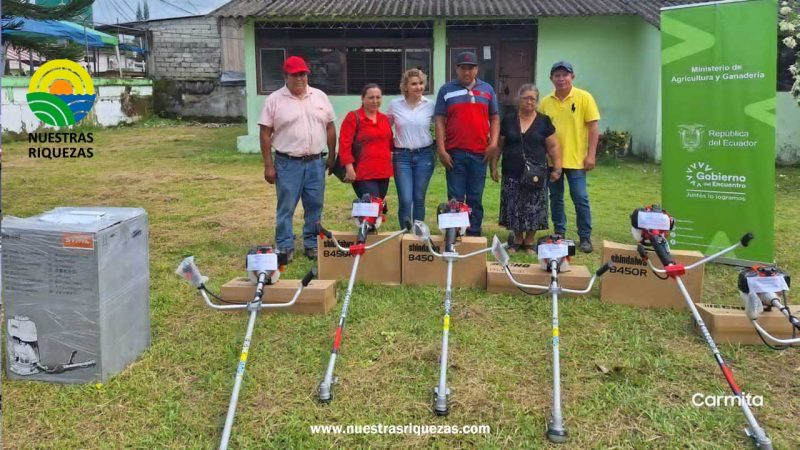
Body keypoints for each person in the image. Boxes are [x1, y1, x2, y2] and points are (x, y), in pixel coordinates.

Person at [258, 56, 337, 261]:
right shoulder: (274, 100)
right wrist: (268, 165)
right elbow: (265, 133)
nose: (301, 78)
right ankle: (285, 245)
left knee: (315, 205)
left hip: (316, 162)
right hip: (288, 163)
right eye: (295, 74)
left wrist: (332, 155)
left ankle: (311, 243)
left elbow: (330, 127)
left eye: (303, 74)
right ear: (286, 76)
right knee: (286, 207)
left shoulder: (320, 96)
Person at [434, 51, 500, 236]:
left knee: (475, 197)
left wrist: (493, 143)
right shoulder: (446, 90)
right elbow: (439, 120)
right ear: (457, 69)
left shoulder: (487, 90)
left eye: (471, 68)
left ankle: (474, 233)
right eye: (463, 68)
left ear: (477, 69)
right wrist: (440, 149)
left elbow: (495, 118)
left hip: (480, 153)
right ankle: (455, 233)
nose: (467, 72)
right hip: (455, 154)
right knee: (455, 198)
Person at [491, 84, 562, 254]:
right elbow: (500, 145)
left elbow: (553, 147)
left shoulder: (544, 121)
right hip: (512, 171)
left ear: (537, 101)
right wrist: (493, 165)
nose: (529, 102)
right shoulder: (508, 119)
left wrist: (557, 168)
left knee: (534, 207)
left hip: (536, 173)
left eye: (533, 99)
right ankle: (517, 238)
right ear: (519, 99)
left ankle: (529, 241)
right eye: (526, 98)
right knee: (514, 205)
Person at [539, 61, 600, 253]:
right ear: (551, 79)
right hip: (552, 161)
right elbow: (541, 132)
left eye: (565, 75)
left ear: (572, 77)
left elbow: (593, 128)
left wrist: (591, 155)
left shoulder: (584, 98)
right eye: (557, 75)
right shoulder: (545, 102)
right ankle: (559, 233)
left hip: (576, 160)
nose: (561, 79)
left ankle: (585, 237)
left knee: (580, 197)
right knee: (555, 198)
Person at [386, 68, 435, 227]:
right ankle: (405, 235)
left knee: (419, 198)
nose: (419, 87)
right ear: (405, 86)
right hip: (402, 157)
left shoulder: (430, 105)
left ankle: (418, 236)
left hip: (425, 155)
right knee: (405, 199)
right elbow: (385, 130)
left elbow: (442, 126)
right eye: (414, 84)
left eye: (421, 83)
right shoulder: (395, 105)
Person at [338, 83, 394, 199]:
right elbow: (345, 144)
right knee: (371, 208)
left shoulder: (384, 119)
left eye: (378, 97)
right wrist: (349, 167)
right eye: (371, 97)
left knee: (377, 207)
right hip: (362, 173)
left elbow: (389, 142)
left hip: (383, 171)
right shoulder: (353, 117)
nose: (375, 101)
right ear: (363, 98)